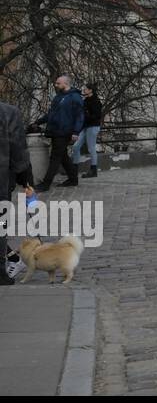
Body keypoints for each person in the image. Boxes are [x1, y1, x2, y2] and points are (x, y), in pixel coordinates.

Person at [32, 75, 85, 190]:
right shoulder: (59, 97)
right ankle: (73, 179)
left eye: (58, 83)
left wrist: (76, 131)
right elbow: (51, 114)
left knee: (55, 157)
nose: (55, 85)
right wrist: (38, 122)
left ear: (65, 84)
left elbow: (80, 116)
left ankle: (46, 184)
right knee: (63, 156)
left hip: (64, 131)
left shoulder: (75, 97)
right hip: (56, 131)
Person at [1, 100, 33, 285]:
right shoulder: (9, 112)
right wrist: (23, 175)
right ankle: (6, 266)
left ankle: (10, 262)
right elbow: (19, 149)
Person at [70, 82, 102, 178]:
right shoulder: (85, 100)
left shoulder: (96, 101)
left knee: (91, 148)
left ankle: (93, 170)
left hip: (93, 126)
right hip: (85, 127)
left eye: (86, 89)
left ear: (90, 90)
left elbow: (97, 116)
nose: (84, 90)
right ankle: (74, 169)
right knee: (75, 146)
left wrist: (85, 116)